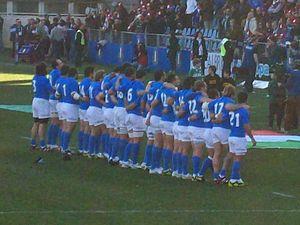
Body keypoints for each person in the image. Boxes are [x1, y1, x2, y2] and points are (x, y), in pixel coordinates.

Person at [227, 92, 256, 187]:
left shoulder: (233, 109)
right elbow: (246, 126)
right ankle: (233, 179)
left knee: (235, 157)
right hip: (239, 136)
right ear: (246, 99)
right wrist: (252, 138)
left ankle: (238, 178)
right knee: (238, 159)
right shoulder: (243, 111)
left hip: (231, 135)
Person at [208, 84, 236, 184]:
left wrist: (213, 117)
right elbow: (227, 115)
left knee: (217, 153)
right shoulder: (230, 102)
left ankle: (216, 176)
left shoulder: (216, 101)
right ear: (232, 94)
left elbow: (210, 108)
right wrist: (220, 119)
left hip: (214, 129)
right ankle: (222, 174)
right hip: (225, 129)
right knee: (231, 152)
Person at [186, 80, 211, 181]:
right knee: (198, 151)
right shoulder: (199, 97)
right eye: (205, 86)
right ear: (202, 87)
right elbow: (204, 101)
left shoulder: (191, 96)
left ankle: (195, 173)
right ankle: (196, 174)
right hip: (199, 126)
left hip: (191, 126)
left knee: (195, 151)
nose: (206, 88)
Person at [122, 70, 147, 168]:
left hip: (128, 115)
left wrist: (126, 107)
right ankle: (134, 162)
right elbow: (139, 93)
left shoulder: (129, 84)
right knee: (136, 140)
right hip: (136, 114)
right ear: (143, 76)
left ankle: (125, 160)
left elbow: (124, 97)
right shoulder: (139, 84)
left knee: (132, 139)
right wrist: (147, 90)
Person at [140, 71, 165, 170]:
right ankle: (155, 165)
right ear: (162, 77)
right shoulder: (161, 87)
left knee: (150, 140)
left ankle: (146, 162)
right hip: (157, 115)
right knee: (158, 142)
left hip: (149, 115)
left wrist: (146, 112)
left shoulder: (150, 86)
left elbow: (144, 101)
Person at [57, 67, 80, 158]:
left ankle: (63, 146)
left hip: (62, 104)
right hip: (71, 105)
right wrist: (82, 98)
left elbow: (57, 94)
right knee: (69, 128)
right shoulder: (73, 81)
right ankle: (65, 149)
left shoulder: (63, 81)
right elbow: (74, 95)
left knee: (64, 127)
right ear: (75, 74)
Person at [159, 74, 179, 174]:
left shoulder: (162, 89)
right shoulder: (173, 92)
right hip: (170, 120)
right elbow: (169, 106)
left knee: (166, 145)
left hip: (163, 120)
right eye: (177, 79)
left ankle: (165, 166)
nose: (178, 80)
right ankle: (168, 168)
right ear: (173, 80)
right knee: (170, 145)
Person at [176, 77, 195, 179]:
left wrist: (177, 111)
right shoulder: (190, 94)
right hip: (185, 124)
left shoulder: (180, 93)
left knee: (180, 148)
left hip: (179, 124)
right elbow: (183, 109)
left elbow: (175, 105)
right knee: (185, 150)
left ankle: (178, 171)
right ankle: (184, 172)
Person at [31, 63, 52, 151]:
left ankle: (33, 143)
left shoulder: (34, 77)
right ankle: (43, 145)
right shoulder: (44, 79)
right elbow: (50, 90)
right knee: (42, 124)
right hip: (42, 101)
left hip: (35, 100)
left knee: (36, 122)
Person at [86, 70, 106, 158]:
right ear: (100, 78)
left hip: (91, 108)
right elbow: (98, 97)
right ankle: (97, 151)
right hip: (96, 109)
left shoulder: (92, 85)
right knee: (101, 131)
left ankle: (92, 151)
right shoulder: (97, 85)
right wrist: (106, 103)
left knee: (94, 131)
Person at [47, 59, 63, 150]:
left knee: (54, 121)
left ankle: (50, 142)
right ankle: (53, 143)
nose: (62, 64)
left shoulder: (52, 72)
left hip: (51, 98)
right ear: (57, 66)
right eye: (60, 63)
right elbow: (55, 86)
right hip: (56, 99)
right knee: (57, 121)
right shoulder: (57, 73)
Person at [78, 67, 94, 154]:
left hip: (81, 107)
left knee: (82, 127)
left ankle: (80, 147)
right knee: (87, 128)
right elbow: (88, 96)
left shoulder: (82, 82)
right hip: (87, 107)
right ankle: (85, 148)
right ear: (91, 73)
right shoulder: (89, 83)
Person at [284, 61, 300, 131]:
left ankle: (287, 128)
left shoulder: (293, 73)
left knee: (289, 113)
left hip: (292, 96)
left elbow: (288, 85)